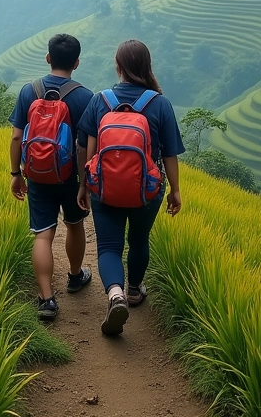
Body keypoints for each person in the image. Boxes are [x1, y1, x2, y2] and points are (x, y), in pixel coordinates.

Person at [77, 39, 183, 336]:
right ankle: (135, 291)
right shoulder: (159, 103)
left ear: (118, 66)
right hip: (147, 190)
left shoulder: (101, 100)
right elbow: (170, 152)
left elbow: (85, 147)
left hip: (104, 189)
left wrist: (84, 186)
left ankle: (115, 295)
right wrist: (175, 190)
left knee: (109, 246)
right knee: (138, 240)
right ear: (146, 66)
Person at [9, 33, 94, 320]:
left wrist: (15, 174)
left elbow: (17, 137)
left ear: (48, 58)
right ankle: (74, 276)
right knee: (74, 224)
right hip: (70, 177)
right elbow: (87, 145)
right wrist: (85, 183)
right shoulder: (85, 96)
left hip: (36, 174)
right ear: (77, 63)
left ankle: (46, 300)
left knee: (43, 235)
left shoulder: (28, 91)